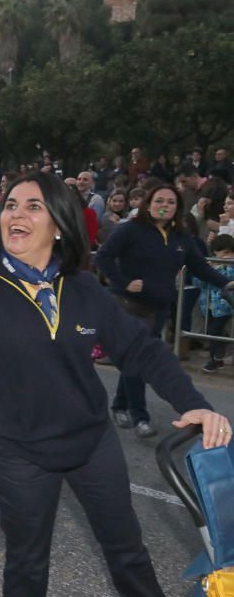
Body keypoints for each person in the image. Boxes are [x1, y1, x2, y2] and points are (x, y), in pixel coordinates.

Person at [0, 172, 231, 597]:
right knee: (27, 565)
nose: (16, 214)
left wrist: (196, 403)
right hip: (19, 454)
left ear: (58, 224)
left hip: (92, 443)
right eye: (11, 205)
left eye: (33, 206)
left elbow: (143, 349)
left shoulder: (82, 286)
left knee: (128, 553)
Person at [96, 183, 234, 437]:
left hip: (159, 307)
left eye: (171, 202)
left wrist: (226, 282)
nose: (164, 206)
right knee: (137, 361)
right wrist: (124, 282)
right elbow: (102, 257)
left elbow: (200, 267)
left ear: (178, 208)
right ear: (148, 204)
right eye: (159, 200)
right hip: (129, 306)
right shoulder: (130, 230)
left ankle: (119, 405)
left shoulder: (182, 237)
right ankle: (140, 417)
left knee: (136, 361)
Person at [197, 234, 234, 373]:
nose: (225, 256)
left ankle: (216, 360)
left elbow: (230, 280)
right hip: (208, 305)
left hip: (226, 305)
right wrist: (207, 270)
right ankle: (218, 357)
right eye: (222, 252)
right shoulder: (210, 264)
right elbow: (198, 283)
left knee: (214, 331)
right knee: (213, 331)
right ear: (214, 252)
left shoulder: (231, 264)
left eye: (229, 252)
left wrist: (223, 266)